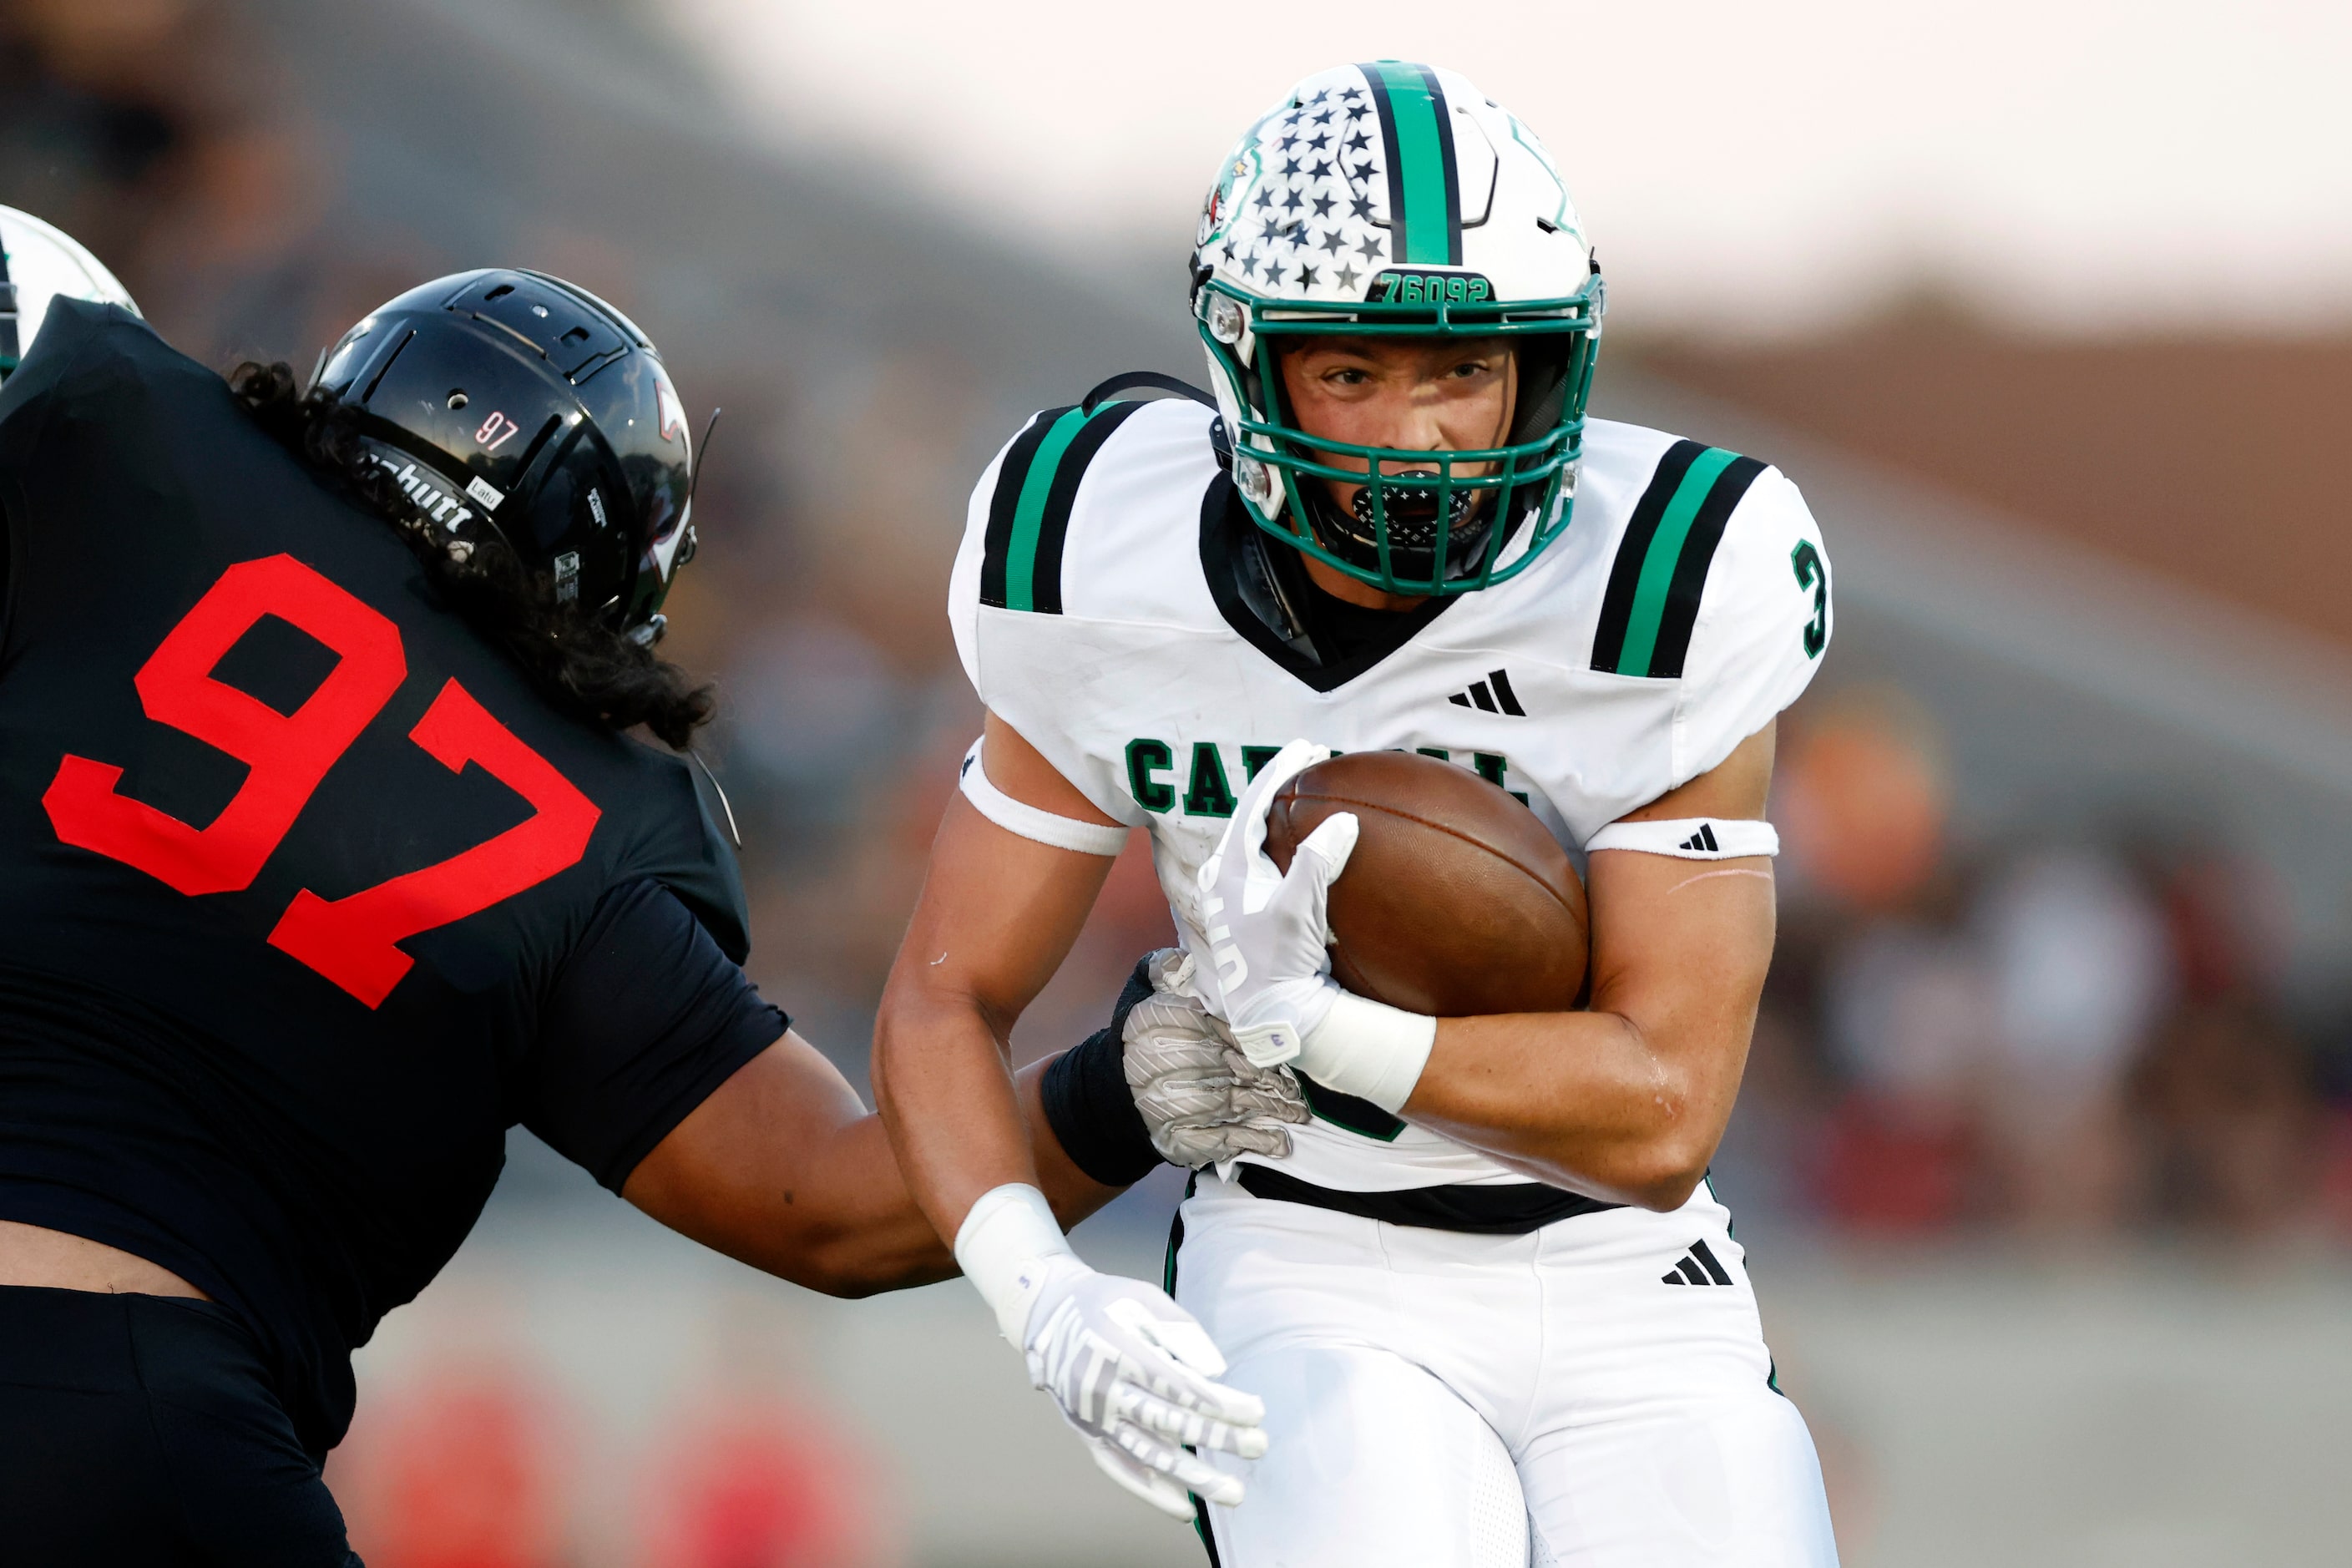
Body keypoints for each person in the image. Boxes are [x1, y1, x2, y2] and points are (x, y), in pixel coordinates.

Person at [0, 240, 1278, 1565]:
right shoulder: (581, 830)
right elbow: (835, 1203)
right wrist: (1137, 1081)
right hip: (144, 1423)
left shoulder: (118, 455)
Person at [875, 64, 1842, 1565]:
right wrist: (1039, 1290)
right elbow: (947, 994)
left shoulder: (1665, 573)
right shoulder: (1094, 555)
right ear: (1251, 372)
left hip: (1630, 1270)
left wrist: (1314, 1028)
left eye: (1463, 374)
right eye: (1355, 373)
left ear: (1544, 367)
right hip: (1310, 1248)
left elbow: (1664, 1107)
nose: (1419, 437)